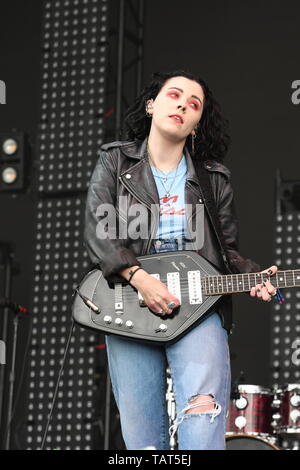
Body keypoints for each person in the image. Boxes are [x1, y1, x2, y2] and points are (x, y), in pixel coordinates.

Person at [84, 70, 278, 450]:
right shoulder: (114, 161)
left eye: (194, 104)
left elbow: (226, 252)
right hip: (131, 300)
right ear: (152, 105)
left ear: (195, 126)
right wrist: (140, 278)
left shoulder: (214, 179)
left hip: (199, 304)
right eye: (174, 95)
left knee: (204, 417)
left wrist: (253, 274)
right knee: (142, 441)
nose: (183, 106)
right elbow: (98, 232)